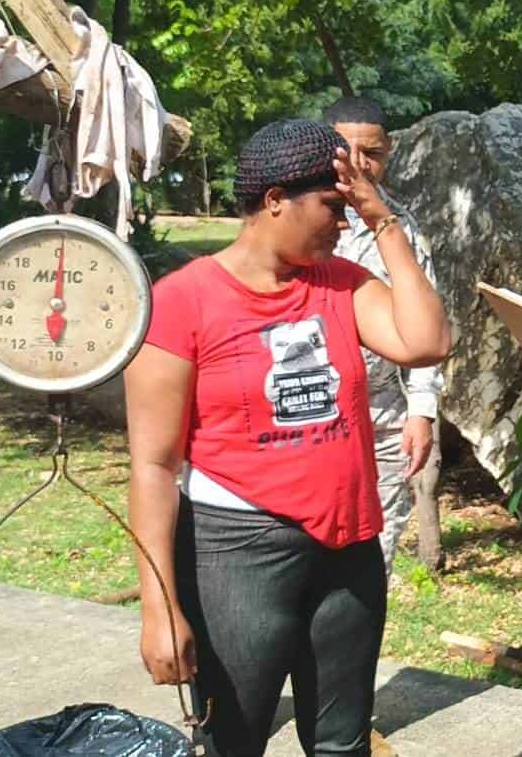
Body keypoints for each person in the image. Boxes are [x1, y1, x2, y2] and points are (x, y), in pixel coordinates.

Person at [125, 119, 451, 757]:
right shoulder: (181, 302)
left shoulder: (341, 285)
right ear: (275, 200)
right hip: (239, 556)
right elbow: (152, 468)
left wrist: (381, 218)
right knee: (234, 742)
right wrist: (159, 609)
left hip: (349, 548)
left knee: (341, 743)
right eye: (333, 207)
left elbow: (427, 341)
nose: (343, 223)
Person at [323, 96, 446, 578]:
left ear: (388, 152)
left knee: (376, 547)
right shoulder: (307, 216)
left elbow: (426, 320)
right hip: (315, 408)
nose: (359, 164)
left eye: (371, 152)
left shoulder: (402, 226)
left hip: (383, 410)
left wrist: (421, 410)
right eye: (347, 150)